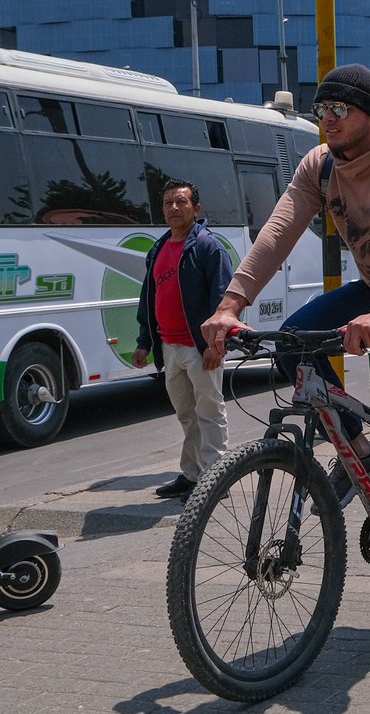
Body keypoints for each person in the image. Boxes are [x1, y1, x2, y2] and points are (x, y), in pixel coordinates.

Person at [201, 64, 370, 612]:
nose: (325, 120)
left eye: (338, 111)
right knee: (292, 339)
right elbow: (279, 230)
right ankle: (362, 450)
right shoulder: (319, 166)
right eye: (319, 110)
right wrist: (231, 306)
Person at [133, 180, 231, 503]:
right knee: (186, 414)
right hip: (169, 347)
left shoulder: (207, 247)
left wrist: (216, 345)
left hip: (199, 348)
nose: (174, 208)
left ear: (196, 208)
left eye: (181, 202)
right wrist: (145, 341)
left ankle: (215, 480)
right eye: (168, 203)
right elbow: (150, 297)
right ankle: (192, 475)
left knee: (209, 411)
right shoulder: (158, 249)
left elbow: (223, 300)